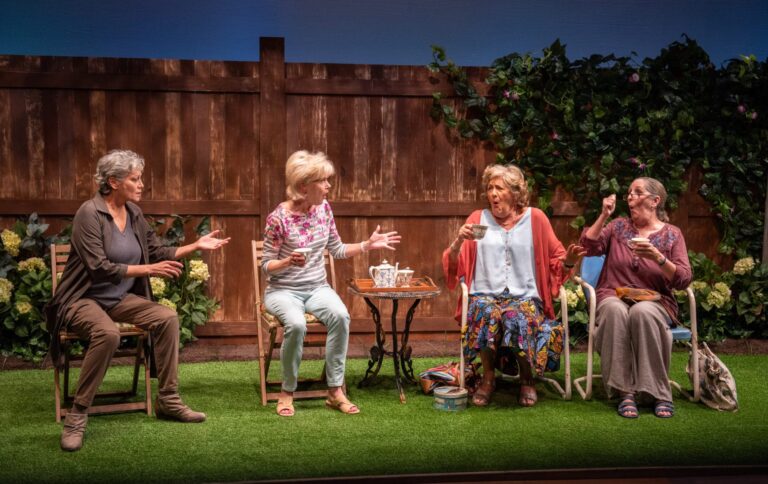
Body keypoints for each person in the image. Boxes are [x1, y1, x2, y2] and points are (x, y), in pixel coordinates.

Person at [46, 149, 230, 452]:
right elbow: (99, 267)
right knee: (107, 333)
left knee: (166, 318)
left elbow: (156, 252)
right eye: (135, 178)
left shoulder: (133, 213)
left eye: (140, 178)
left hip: (118, 298)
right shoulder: (89, 214)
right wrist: (149, 269)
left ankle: (168, 400)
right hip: (81, 299)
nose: (141, 184)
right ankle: (77, 415)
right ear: (114, 182)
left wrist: (195, 246)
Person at [262, 150, 400, 417]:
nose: (328, 186)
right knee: (297, 323)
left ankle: (335, 390)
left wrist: (367, 245)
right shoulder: (277, 218)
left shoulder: (324, 210)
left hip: (316, 288)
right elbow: (265, 265)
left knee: (340, 315)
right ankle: (287, 391)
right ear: (304, 186)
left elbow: (336, 249)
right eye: (323, 181)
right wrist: (288, 261)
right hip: (282, 291)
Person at [442, 164, 584, 407]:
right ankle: (488, 379)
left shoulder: (536, 219)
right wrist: (457, 242)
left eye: (499, 188)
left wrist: (569, 261)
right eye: (489, 188)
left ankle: (527, 379)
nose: (493, 194)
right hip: (484, 294)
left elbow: (557, 260)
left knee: (517, 315)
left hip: (525, 297)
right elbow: (457, 264)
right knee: (485, 311)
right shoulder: (478, 220)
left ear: (515, 193)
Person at [580, 177, 692, 418]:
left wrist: (658, 258)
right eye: (628, 192)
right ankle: (625, 392)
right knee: (613, 310)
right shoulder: (618, 227)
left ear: (655, 201)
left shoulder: (672, 234)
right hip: (613, 294)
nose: (630, 196)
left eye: (637, 192)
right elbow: (588, 247)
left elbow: (683, 279)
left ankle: (658, 392)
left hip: (655, 300)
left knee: (643, 312)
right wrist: (603, 216)